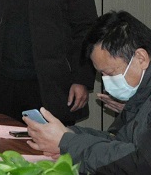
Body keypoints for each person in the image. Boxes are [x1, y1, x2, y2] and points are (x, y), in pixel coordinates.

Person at [26, 10, 151, 173]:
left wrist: (66, 142)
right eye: (102, 74)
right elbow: (117, 143)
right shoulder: (141, 95)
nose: (106, 82)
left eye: (110, 73)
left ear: (141, 58)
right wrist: (67, 133)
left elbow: (139, 163)